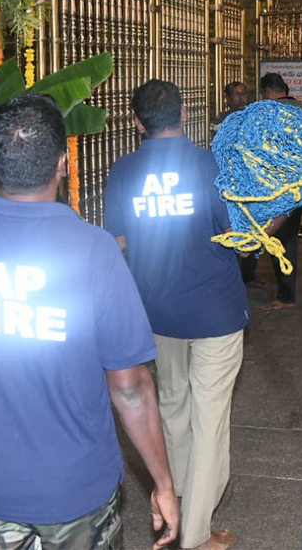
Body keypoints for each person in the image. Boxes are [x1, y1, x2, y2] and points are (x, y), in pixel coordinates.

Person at [0, 94, 179, 550]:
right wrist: (163, 483)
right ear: (64, 162)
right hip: (78, 494)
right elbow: (129, 388)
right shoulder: (95, 251)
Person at [104, 79, 247, 550]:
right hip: (215, 310)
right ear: (184, 113)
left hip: (157, 311)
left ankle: (177, 496)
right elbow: (238, 234)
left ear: (138, 122)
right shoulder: (211, 164)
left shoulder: (123, 172)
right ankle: (198, 534)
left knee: (171, 405)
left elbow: (120, 243)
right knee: (211, 416)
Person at [251, 72, 302, 310]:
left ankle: (286, 295)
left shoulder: (268, 113)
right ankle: (286, 290)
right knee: (288, 236)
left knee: (279, 237)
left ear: (266, 91)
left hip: (278, 186)